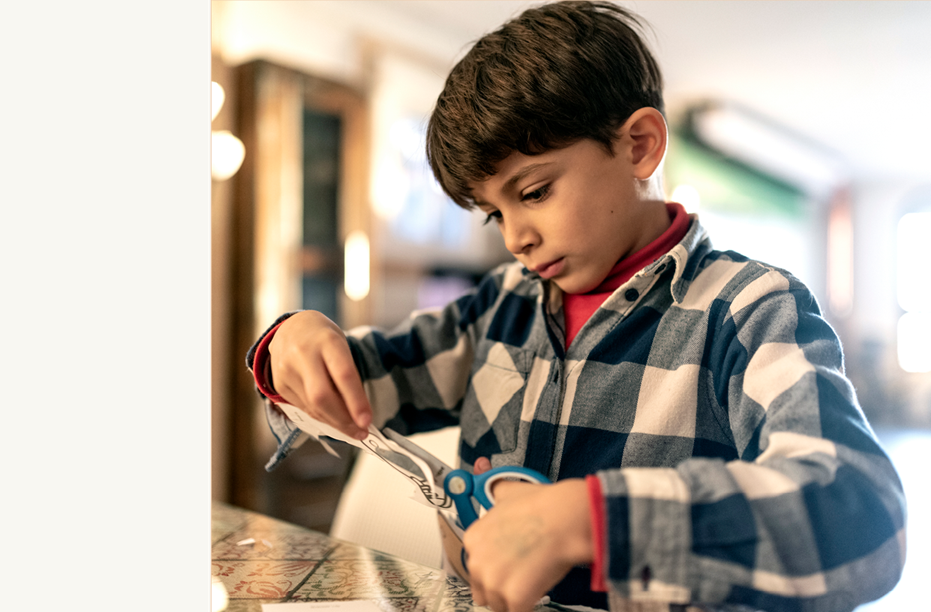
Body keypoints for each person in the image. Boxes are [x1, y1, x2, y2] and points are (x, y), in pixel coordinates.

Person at [244, 3, 906, 611]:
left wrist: (598, 521)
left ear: (640, 144)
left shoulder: (751, 309)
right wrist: (292, 346)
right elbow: (358, 383)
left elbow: (859, 514)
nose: (514, 238)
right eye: (493, 214)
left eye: (533, 192)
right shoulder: (501, 306)